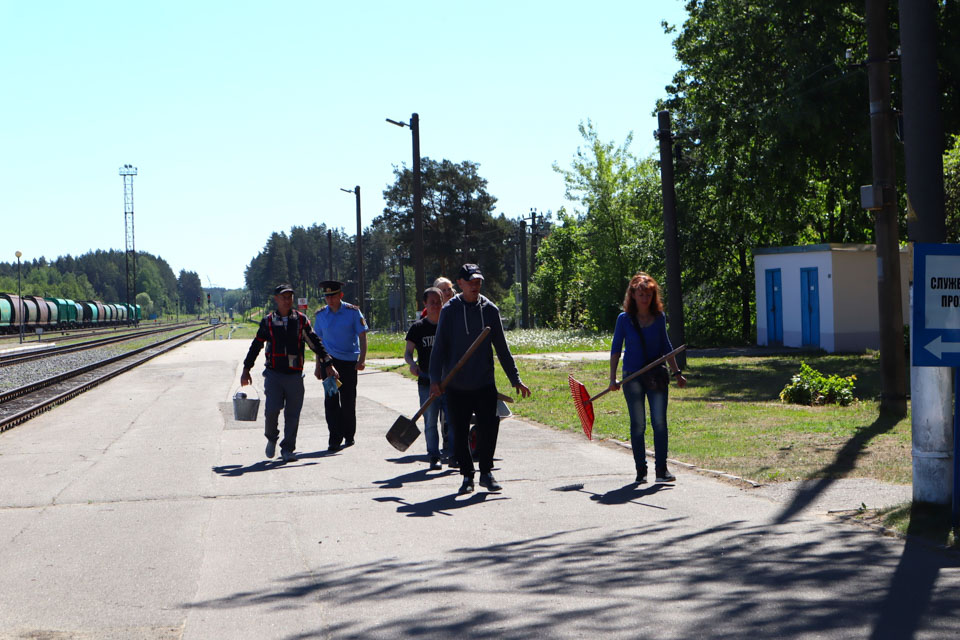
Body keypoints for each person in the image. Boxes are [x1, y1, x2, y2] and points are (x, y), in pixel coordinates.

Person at [430, 263, 531, 494]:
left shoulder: (490, 310)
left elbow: (502, 349)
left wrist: (515, 379)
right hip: (455, 384)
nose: (475, 285)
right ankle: (467, 476)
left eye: (478, 282)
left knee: (489, 428)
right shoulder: (450, 310)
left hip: (484, 382)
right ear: (460, 283)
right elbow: (439, 349)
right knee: (459, 431)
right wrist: (435, 379)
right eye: (471, 281)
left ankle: (486, 472)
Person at [241, 283, 338, 463]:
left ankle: (288, 449)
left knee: (292, 415)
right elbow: (256, 346)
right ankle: (271, 437)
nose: (287, 300)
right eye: (283, 297)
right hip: (274, 374)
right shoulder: (268, 321)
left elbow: (314, 342)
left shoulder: (301, 320)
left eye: (290, 297)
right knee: (271, 410)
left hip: (294, 375)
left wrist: (328, 363)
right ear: (276, 299)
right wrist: (246, 369)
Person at [608, 273, 687, 484]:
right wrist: (613, 378)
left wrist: (677, 372)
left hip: (656, 376)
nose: (645, 299)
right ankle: (640, 471)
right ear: (632, 295)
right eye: (641, 294)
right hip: (631, 378)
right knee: (638, 424)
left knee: (660, 422)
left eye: (649, 294)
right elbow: (616, 349)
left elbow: (666, 346)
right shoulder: (623, 320)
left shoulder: (659, 317)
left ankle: (661, 470)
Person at [314, 280, 368, 452]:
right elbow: (318, 342)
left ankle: (349, 434)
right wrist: (317, 365)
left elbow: (362, 335)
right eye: (327, 297)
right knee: (331, 400)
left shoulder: (352, 312)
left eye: (333, 296)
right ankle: (334, 438)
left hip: (348, 363)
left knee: (348, 399)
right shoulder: (321, 315)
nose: (329, 300)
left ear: (340, 295)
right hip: (329, 363)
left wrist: (362, 359)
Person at [404, 287, 446, 470]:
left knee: (451, 419)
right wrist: (412, 364)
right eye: (432, 302)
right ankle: (434, 455)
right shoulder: (418, 328)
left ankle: (452, 454)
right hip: (426, 382)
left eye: (438, 302)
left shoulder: (448, 325)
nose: (436, 306)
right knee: (430, 420)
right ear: (425, 304)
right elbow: (407, 353)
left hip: (449, 381)